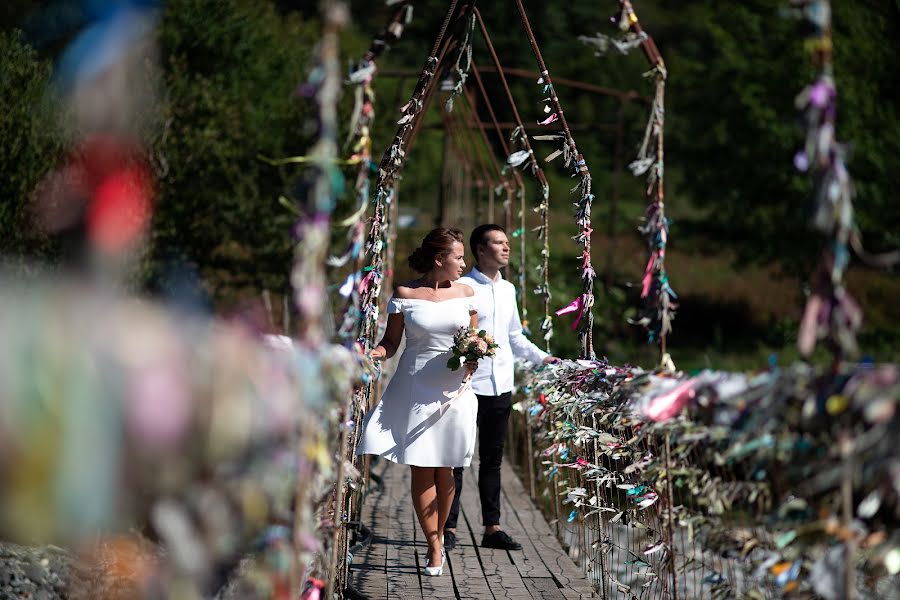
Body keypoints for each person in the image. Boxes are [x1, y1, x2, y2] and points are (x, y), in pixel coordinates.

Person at [357, 227, 480, 577]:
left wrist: (475, 355)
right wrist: (373, 355)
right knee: (423, 466)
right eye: (458, 257)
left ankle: (440, 530)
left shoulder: (468, 294)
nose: (463, 263)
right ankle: (434, 542)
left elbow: (473, 340)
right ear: (439, 259)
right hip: (416, 387)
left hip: (454, 389)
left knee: (448, 466)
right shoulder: (405, 293)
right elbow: (391, 342)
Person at [445, 224, 559, 552]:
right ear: (481, 250)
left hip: (501, 385)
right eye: (498, 243)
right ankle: (449, 527)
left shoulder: (508, 289)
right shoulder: (463, 286)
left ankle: (492, 528)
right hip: (468, 385)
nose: (506, 249)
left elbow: (514, 337)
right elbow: (453, 332)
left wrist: (543, 359)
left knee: (492, 458)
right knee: (458, 457)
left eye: (507, 243)